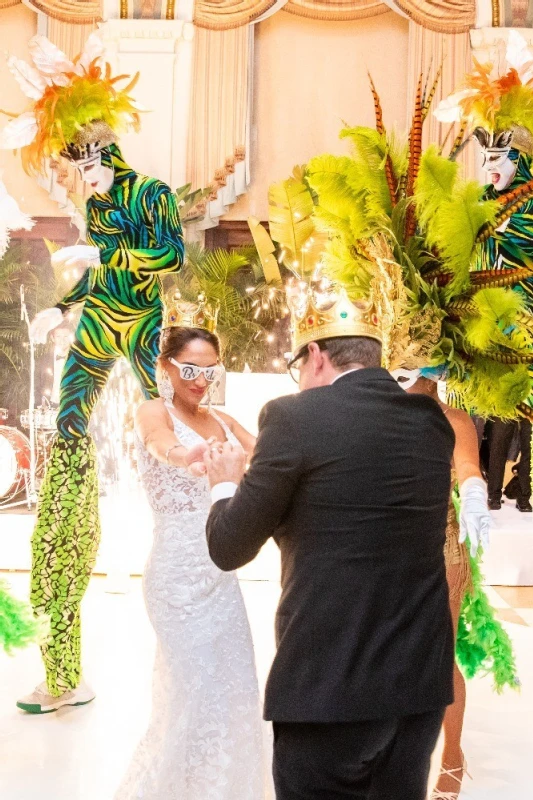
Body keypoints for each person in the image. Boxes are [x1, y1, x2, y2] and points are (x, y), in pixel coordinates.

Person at [203, 284, 456, 800]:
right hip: (417, 685)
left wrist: (225, 482)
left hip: (329, 687)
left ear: (315, 356)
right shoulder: (431, 423)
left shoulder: (294, 417)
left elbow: (229, 546)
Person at [0, 34, 184, 713]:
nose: (86, 185)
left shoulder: (149, 193)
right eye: (79, 176)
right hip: (99, 320)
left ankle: (178, 533)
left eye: (89, 170)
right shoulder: (100, 206)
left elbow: (167, 258)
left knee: (157, 429)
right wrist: (58, 310)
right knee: (69, 436)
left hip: (139, 327)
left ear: (106, 155)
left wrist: (101, 262)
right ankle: (63, 577)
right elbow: (90, 270)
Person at [114, 310, 265, 800]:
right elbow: (161, 447)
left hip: (219, 571)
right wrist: (191, 455)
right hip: (176, 577)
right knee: (188, 690)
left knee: (234, 689)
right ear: (167, 368)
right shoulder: (151, 411)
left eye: (210, 370)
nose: (201, 380)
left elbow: (268, 456)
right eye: (191, 369)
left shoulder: (223, 419)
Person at [404, 372, 490, 799]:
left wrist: (473, 491)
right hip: (387, 548)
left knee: (440, 656)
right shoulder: (379, 413)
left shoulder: (453, 418)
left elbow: (469, 465)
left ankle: (452, 757)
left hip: (441, 547)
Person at [487, 418, 532, 512]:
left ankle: (523, 497)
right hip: (503, 408)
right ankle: (494, 496)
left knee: (528, 450)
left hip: (529, 408)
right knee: (498, 448)